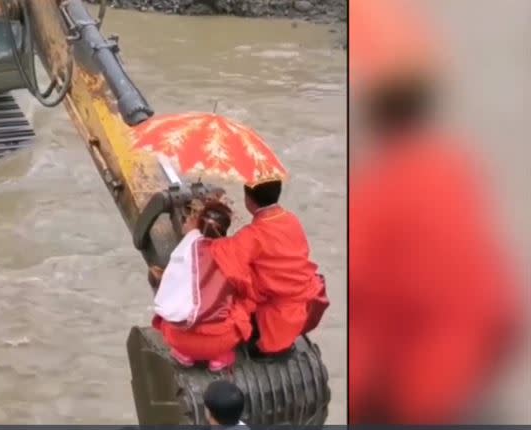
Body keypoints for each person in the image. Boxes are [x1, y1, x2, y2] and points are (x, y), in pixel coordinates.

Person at [349, 0, 524, 423]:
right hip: (471, 386)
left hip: (414, 398)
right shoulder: (459, 173)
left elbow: (367, 318)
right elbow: (504, 309)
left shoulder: (380, 194)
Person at [209, 179, 329, 355]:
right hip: (303, 308)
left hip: (273, 319)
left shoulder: (252, 235)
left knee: (228, 284)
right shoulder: (291, 220)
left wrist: (199, 232)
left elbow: (222, 259)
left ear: (248, 200)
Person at [149, 201, 253, 372]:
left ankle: (185, 355)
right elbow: (246, 291)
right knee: (243, 305)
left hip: (179, 339)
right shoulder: (232, 254)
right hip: (219, 342)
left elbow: (168, 289)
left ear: (198, 224)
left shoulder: (183, 250)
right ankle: (219, 359)